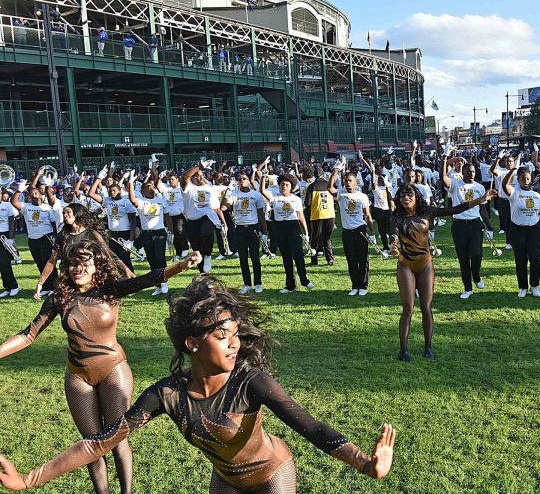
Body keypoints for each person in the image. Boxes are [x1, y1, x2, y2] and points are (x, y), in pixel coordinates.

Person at [0, 275, 396, 493]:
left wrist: (365, 462)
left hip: (273, 478)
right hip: (224, 481)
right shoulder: (167, 395)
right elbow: (98, 442)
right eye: (223, 334)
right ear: (192, 342)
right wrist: (28, 480)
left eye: (236, 333)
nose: (234, 342)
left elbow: (310, 427)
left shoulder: (251, 382)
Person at [0, 240, 201, 494]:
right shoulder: (60, 298)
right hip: (78, 376)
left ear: (96, 266)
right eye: (72, 263)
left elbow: (148, 279)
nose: (77, 268)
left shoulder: (110, 290)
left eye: (84, 263)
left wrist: (182, 265)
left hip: (112, 370)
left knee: (117, 440)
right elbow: (29, 334)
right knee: (91, 445)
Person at [389, 183, 496, 362]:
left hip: (425, 264)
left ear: (416, 197)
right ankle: (403, 350)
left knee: (427, 307)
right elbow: (393, 234)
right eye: (402, 196)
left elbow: (455, 209)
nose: (405, 198)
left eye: (409, 195)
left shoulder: (428, 212)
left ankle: (428, 347)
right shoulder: (396, 217)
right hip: (405, 264)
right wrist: (394, 245)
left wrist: (481, 199)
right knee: (408, 309)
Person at [33, 203, 133, 300]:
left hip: (91, 278)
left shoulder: (91, 234)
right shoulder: (62, 236)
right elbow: (52, 261)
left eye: (68, 212)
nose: (64, 215)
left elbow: (108, 253)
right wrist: (40, 283)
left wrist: (125, 269)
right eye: (63, 213)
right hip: (70, 278)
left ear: (77, 213)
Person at [440, 151, 494, 299]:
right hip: (459, 225)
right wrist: (446, 159)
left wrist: (489, 226)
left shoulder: (480, 187)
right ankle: (467, 288)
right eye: (468, 171)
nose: (471, 174)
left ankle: (475, 276)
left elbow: (482, 208)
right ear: (462, 172)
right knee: (463, 258)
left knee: (477, 254)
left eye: (473, 171)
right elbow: (443, 177)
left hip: (476, 225)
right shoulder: (456, 184)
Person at [260, 171, 314, 293]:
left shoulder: (296, 199)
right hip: (280, 227)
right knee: (286, 258)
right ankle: (290, 285)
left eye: (287, 185)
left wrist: (306, 233)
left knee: (298, 255)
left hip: (293, 227)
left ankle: (305, 280)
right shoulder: (275, 198)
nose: (284, 186)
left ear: (292, 187)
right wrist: (263, 178)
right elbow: (263, 191)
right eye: (282, 184)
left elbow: (301, 217)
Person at [328, 162, 376, 296]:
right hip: (347, 233)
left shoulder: (362, 196)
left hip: (360, 231)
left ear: (356, 182)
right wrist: (336, 171)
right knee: (351, 260)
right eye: (346, 181)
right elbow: (329, 187)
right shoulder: (341, 195)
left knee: (363, 260)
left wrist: (372, 233)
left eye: (350, 181)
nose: (348, 183)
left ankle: (363, 286)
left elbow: (367, 215)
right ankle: (355, 285)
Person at [502, 161, 540, 298]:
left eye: (528, 178)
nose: (526, 181)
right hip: (517, 230)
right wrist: (513, 169)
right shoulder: (515, 192)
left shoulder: (536, 195)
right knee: (520, 259)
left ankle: (534, 285)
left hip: (534, 230)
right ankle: (523, 287)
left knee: (535, 258)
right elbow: (504, 185)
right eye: (523, 178)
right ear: (518, 180)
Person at [221, 171, 268, 294]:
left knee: (254, 257)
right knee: (243, 258)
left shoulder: (256, 195)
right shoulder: (234, 193)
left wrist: (265, 231)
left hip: (253, 227)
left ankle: (258, 283)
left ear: (249, 181)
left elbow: (261, 214)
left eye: (244, 178)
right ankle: (247, 284)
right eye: (240, 179)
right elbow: (223, 207)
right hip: (240, 228)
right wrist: (227, 192)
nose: (242, 180)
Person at [11, 178, 58, 295]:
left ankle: (55, 287)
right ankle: (46, 287)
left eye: (36, 193)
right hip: (32, 240)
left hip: (45, 238)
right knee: (40, 263)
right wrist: (19, 190)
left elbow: (53, 224)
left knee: (49, 263)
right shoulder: (26, 207)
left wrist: (56, 238)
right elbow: (14, 202)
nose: (33, 196)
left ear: (41, 195)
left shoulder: (47, 208)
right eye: (31, 195)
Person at [126, 174, 172, 295]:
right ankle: (157, 285)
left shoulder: (160, 200)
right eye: (148, 187)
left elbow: (167, 217)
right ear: (143, 191)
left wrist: (171, 231)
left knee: (160, 257)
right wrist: (130, 183)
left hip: (159, 232)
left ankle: (164, 281)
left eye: (152, 187)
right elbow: (132, 199)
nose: (151, 189)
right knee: (151, 259)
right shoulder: (141, 202)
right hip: (146, 234)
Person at [88, 166, 137, 272]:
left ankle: (130, 279)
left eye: (114, 191)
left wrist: (131, 239)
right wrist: (99, 177)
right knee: (114, 259)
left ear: (119, 191)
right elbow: (91, 193)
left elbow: (133, 221)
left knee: (125, 259)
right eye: (110, 191)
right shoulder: (107, 200)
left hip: (125, 233)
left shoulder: (126, 202)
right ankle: (120, 281)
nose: (111, 193)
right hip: (112, 234)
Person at [181, 161, 225, 273]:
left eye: (202, 176)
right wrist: (199, 166)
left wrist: (223, 221)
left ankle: (208, 255)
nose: (200, 179)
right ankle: (203, 274)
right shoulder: (189, 188)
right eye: (197, 176)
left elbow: (215, 207)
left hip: (207, 217)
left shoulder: (209, 188)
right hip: (192, 221)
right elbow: (184, 176)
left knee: (208, 231)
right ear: (193, 178)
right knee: (197, 249)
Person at [303, 161, 336, 266]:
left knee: (315, 238)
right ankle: (329, 259)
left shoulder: (311, 186)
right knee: (327, 238)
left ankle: (314, 261)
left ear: (314, 175)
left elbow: (307, 203)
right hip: (330, 214)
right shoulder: (330, 185)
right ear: (323, 174)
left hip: (317, 215)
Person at [0, 195, 19, 298]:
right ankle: (7, 287)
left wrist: (11, 239)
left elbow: (12, 222)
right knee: (1, 264)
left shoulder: (7, 205)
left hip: (5, 235)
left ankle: (14, 286)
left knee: (5, 262)